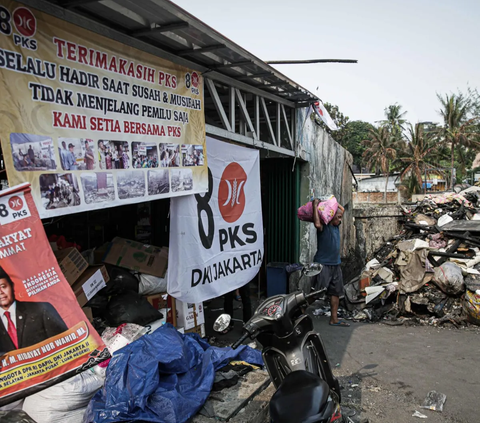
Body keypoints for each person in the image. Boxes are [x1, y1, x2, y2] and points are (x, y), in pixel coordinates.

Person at [0, 268, 68, 353]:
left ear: (12, 286)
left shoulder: (41, 309)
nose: (1, 292)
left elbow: (65, 342)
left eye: (3, 286)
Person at [312, 199, 348, 327]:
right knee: (315, 293)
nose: (340, 220)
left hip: (335, 264)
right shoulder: (324, 226)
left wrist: (331, 200)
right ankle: (298, 314)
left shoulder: (336, 225)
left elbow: (342, 209)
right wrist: (315, 205)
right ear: (331, 217)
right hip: (323, 264)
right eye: (338, 217)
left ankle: (334, 319)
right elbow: (316, 224)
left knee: (336, 292)